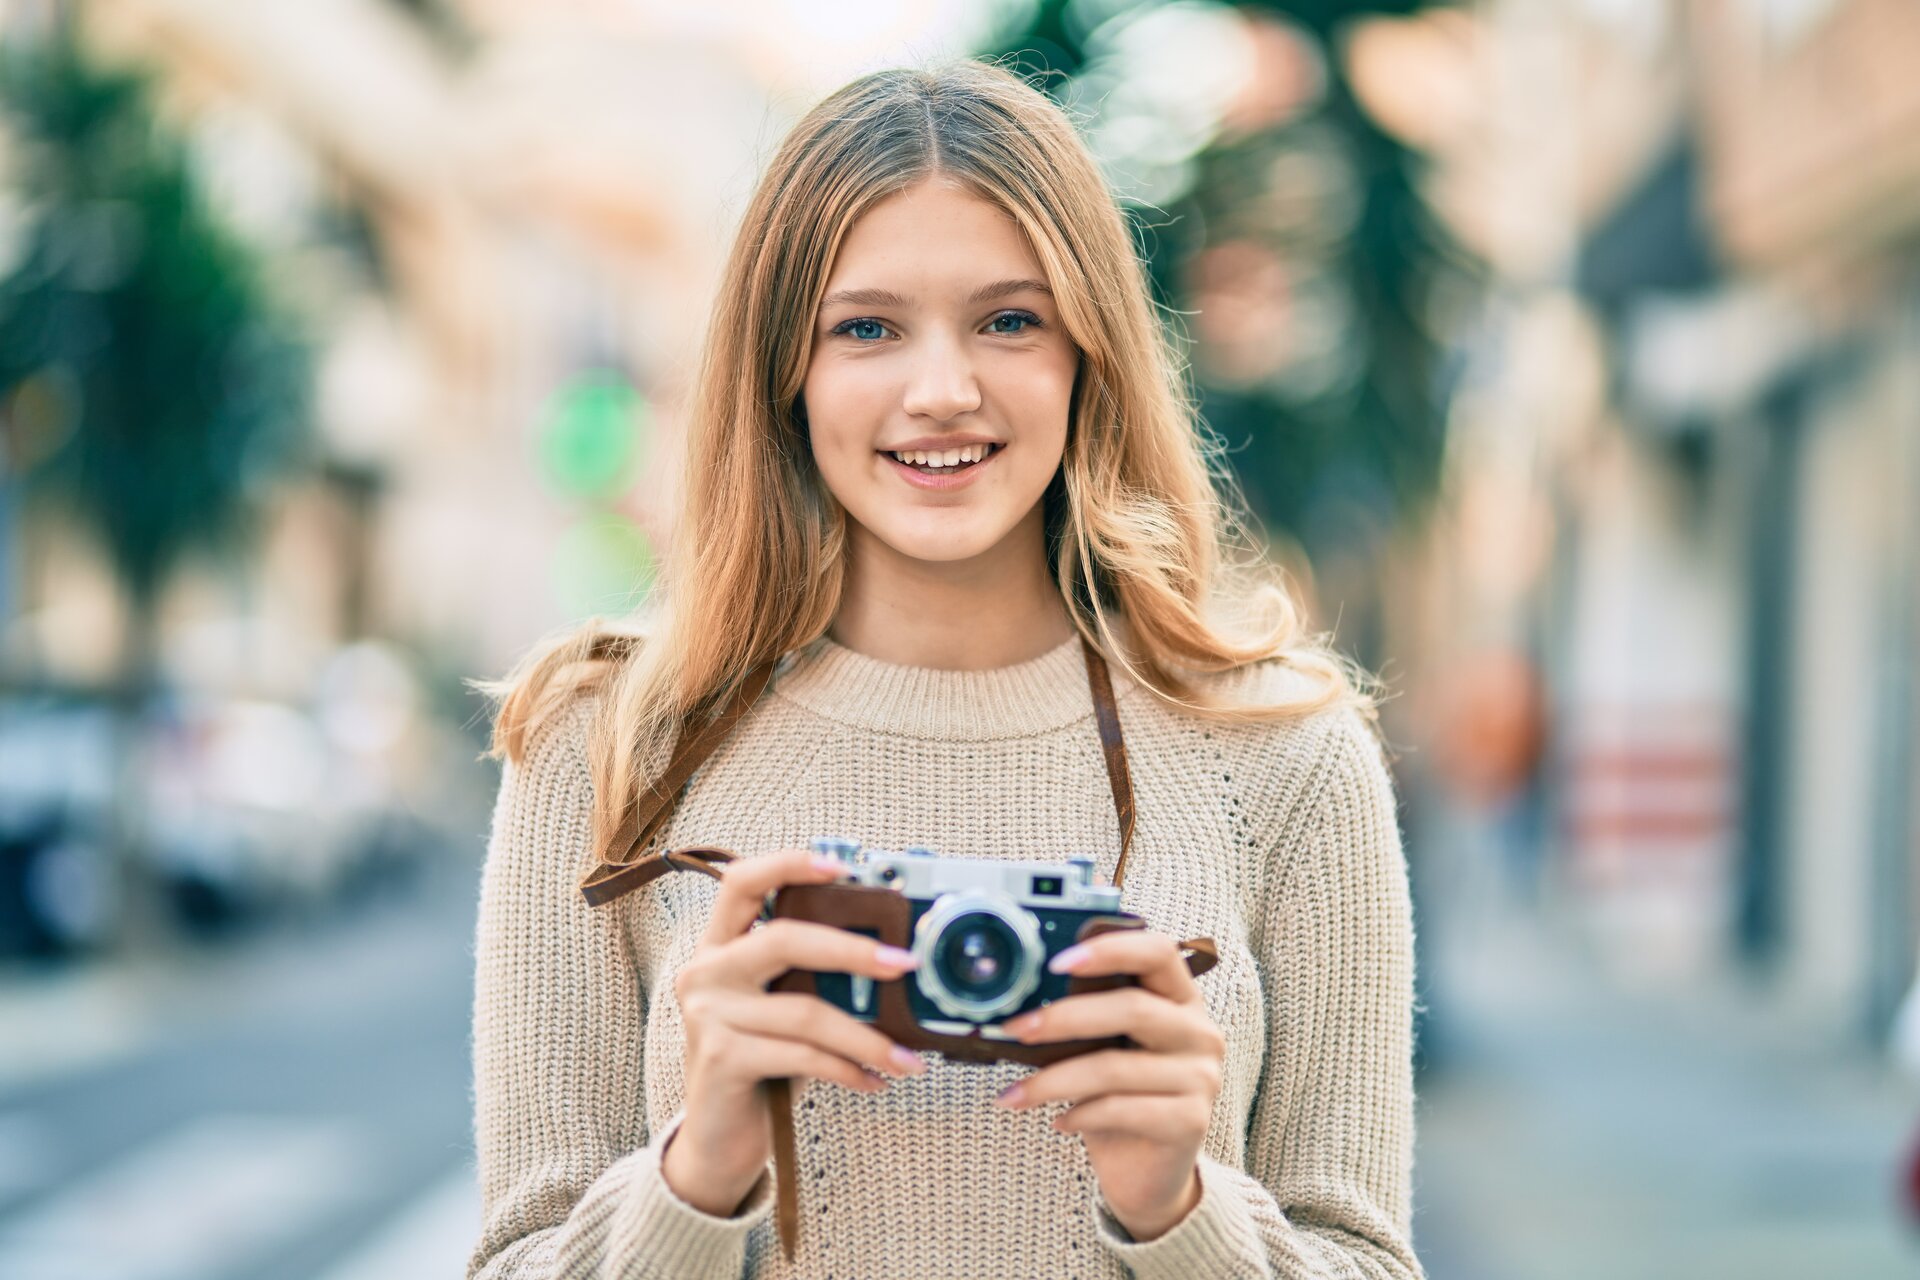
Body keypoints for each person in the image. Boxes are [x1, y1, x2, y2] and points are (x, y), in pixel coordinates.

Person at [465, 59, 1422, 1280]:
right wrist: (695, 1171)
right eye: (866, 327)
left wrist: (1178, 1206)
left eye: (1010, 320)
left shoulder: (1284, 755)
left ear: (1089, 352)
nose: (942, 391)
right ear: (784, 368)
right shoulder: (608, 744)